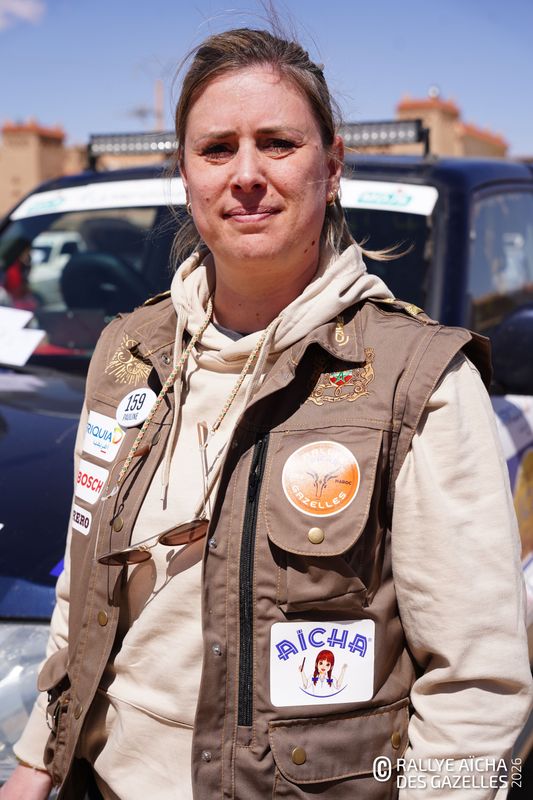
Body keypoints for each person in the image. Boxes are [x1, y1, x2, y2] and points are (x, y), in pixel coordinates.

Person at [4, 26, 532, 800]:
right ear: (185, 173)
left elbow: (475, 688)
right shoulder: (126, 354)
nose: (246, 174)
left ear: (332, 166)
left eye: (277, 143)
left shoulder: (421, 381)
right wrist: (36, 761)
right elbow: (80, 592)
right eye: (216, 148)